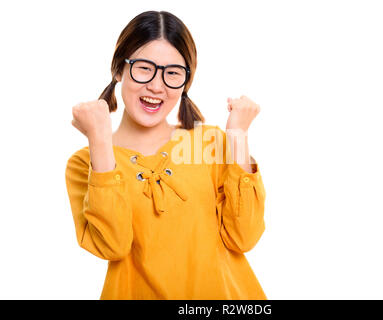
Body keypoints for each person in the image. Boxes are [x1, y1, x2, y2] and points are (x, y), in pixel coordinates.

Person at [65, 10, 267, 300]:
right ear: (119, 69)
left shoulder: (206, 143)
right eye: (144, 68)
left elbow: (244, 237)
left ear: (185, 82)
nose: (157, 87)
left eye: (173, 73)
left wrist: (238, 137)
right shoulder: (85, 162)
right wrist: (99, 141)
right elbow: (113, 246)